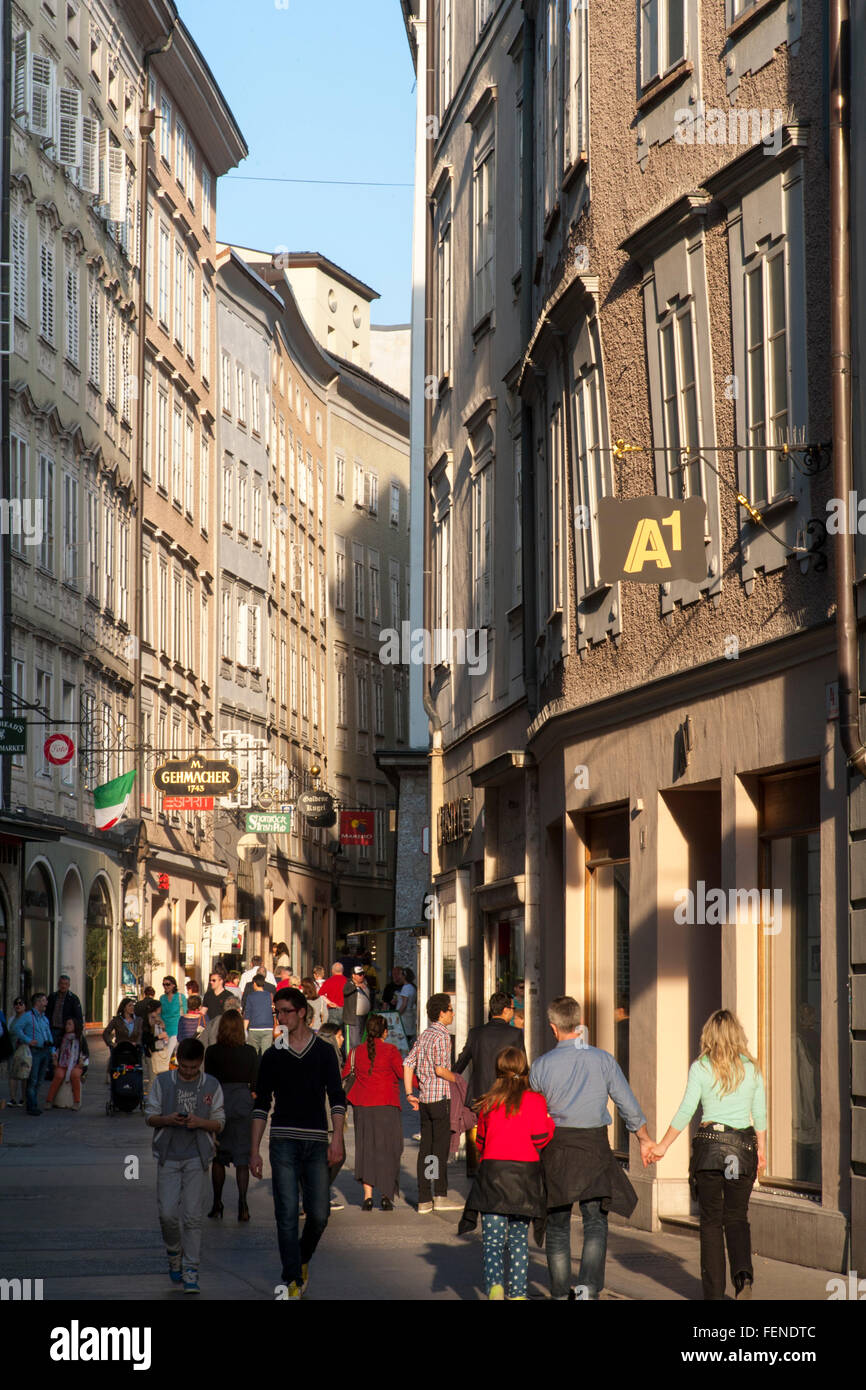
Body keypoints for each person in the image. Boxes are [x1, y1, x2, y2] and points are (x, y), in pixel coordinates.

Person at [529, 996, 655, 1301]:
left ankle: (559, 1292)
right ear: (578, 1023)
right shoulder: (602, 1060)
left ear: (553, 1028)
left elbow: (533, 1114)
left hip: (556, 1148)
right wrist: (644, 1138)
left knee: (558, 1223)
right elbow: (626, 1103)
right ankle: (587, 1290)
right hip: (594, 1146)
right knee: (595, 1223)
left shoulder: (541, 1065)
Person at [647, 1009, 766, 1301]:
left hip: (711, 1151)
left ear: (708, 1035)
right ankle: (743, 1276)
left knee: (711, 1221)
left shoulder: (701, 1067)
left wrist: (662, 1145)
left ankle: (713, 1293)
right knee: (737, 1216)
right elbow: (760, 1114)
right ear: (738, 1033)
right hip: (740, 1150)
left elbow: (687, 1110)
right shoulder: (751, 1068)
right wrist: (761, 1152)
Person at [250, 987, 346, 1300]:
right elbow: (262, 1104)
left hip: (317, 1141)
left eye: (286, 1011)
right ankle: (292, 1278)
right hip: (283, 1142)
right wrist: (254, 1150)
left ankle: (301, 1259)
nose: (281, 1017)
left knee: (319, 1214)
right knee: (287, 1213)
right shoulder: (273, 1055)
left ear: (302, 1011)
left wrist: (338, 1140)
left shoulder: (323, 1051)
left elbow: (337, 1097)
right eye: (278, 1012)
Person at [458, 1047, 555, 1300]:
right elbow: (541, 1138)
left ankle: (495, 1289)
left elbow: (480, 1142)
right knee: (518, 1241)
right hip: (524, 1176)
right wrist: (550, 1122)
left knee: (492, 1242)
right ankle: (518, 1294)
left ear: (498, 1071)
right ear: (525, 1070)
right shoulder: (535, 1100)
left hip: (493, 1174)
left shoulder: (488, 1102)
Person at [145, 1037, 225, 1294]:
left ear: (201, 1063)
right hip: (168, 1155)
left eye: (194, 1067)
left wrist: (199, 1123)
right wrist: (167, 1119)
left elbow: (220, 1122)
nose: (189, 1072)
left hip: (197, 1157)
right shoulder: (162, 1082)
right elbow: (150, 1117)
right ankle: (173, 1253)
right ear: (177, 1062)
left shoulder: (211, 1085)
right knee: (167, 1214)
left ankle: (191, 1269)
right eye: (184, 1067)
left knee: (192, 1217)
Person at [403, 993, 463, 1213]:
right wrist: (456, 1078)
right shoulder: (442, 1036)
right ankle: (439, 1194)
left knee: (426, 1149)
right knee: (440, 1149)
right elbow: (440, 1069)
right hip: (439, 1098)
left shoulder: (425, 1034)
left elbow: (408, 1063)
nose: (453, 1013)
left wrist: (410, 1093)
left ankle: (424, 1197)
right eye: (450, 1010)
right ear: (441, 1012)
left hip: (425, 1098)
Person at [342, 1014, 407, 1211]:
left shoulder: (355, 1051)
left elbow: (345, 1075)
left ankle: (367, 1196)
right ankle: (386, 1195)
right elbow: (402, 1074)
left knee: (366, 1148)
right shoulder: (391, 1050)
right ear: (385, 1032)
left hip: (362, 1105)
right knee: (389, 1149)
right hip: (387, 1104)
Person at [454, 991, 523, 1176]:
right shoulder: (515, 1034)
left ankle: (474, 1167)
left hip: (479, 1092)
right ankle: (500, 1165)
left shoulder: (476, 1033)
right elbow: (521, 1065)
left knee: (477, 1129)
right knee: (503, 1131)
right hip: (505, 1093)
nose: (513, 1013)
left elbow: (462, 1060)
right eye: (512, 1008)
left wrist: (450, 1076)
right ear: (506, 1010)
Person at [204, 1011, 258, 1222]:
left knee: (219, 1156)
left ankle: (217, 1202)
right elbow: (255, 1084)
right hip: (243, 1100)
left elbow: (208, 1080)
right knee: (242, 1158)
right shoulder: (250, 1052)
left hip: (219, 1099)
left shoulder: (213, 1052)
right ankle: (243, 1203)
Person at [318, 1020, 347, 1210]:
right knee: (335, 1155)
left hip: (320, 1112)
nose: (343, 1039)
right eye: (340, 1035)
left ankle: (318, 1194)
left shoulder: (318, 1047)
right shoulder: (331, 1051)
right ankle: (318, 1194)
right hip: (328, 1112)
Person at [12, 992, 56, 1115]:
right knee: (33, 1079)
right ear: (37, 1002)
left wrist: (52, 1050)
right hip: (35, 1051)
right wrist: (27, 1040)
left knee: (40, 1079)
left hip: (45, 1051)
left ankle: (34, 1102)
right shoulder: (27, 1016)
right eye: (44, 1000)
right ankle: (31, 1105)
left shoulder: (44, 1018)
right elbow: (17, 1028)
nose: (46, 1003)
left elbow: (48, 1034)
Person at [45, 1018, 89, 1110]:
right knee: (59, 1075)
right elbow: (55, 1049)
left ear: (74, 1026)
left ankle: (76, 1102)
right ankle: (49, 1100)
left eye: (69, 1024)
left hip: (76, 1064)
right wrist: (55, 1058)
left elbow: (86, 1053)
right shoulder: (62, 1037)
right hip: (62, 1064)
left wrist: (82, 1060)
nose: (67, 1026)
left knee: (75, 1074)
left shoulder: (80, 1038)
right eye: (66, 1024)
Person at [45, 975, 84, 1050]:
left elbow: (78, 1017)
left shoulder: (73, 999)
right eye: (62, 983)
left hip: (66, 1031)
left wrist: (77, 1032)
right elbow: (47, 1012)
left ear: (69, 985)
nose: (63, 986)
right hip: (52, 1030)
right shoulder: (52, 997)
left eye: (66, 984)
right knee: (52, 1052)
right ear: (58, 984)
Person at [342, 964, 373, 1051]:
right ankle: (350, 1061)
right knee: (352, 1042)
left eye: (363, 974)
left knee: (360, 1041)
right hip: (352, 1018)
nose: (362, 976)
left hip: (364, 1017)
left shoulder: (365, 983)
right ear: (353, 975)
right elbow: (345, 991)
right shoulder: (349, 983)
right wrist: (356, 986)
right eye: (360, 974)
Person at [244, 973, 276, 1055]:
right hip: (268, 1028)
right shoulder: (270, 996)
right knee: (266, 1054)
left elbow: (247, 1014)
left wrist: (244, 1030)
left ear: (254, 983)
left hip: (254, 1028)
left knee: (253, 1054)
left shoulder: (250, 996)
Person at [5, 998, 28, 1106]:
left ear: (25, 1006)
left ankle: (23, 1098)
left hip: (23, 1049)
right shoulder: (11, 1019)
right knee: (12, 1073)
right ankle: (13, 1098)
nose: (18, 1006)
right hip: (12, 1049)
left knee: (24, 1074)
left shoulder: (28, 1018)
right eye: (16, 1004)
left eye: (20, 1003)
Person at [159, 977, 187, 1063]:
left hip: (176, 1029)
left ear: (173, 985)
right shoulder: (162, 998)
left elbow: (184, 1013)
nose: (165, 986)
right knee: (165, 1056)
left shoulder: (180, 997)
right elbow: (160, 1014)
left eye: (168, 984)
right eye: (164, 984)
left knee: (169, 1055)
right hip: (165, 1031)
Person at [318, 962, 347, 1026]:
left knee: (333, 1031)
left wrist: (328, 1002)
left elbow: (320, 994)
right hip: (345, 1009)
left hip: (332, 1009)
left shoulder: (328, 981)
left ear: (332, 971)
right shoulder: (347, 981)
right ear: (342, 970)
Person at [395, 966, 417, 1047]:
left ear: (404, 976)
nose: (399, 976)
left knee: (404, 1039)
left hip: (404, 1017)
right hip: (410, 1015)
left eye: (400, 974)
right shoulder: (412, 987)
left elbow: (404, 1004)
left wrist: (397, 1014)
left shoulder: (406, 988)